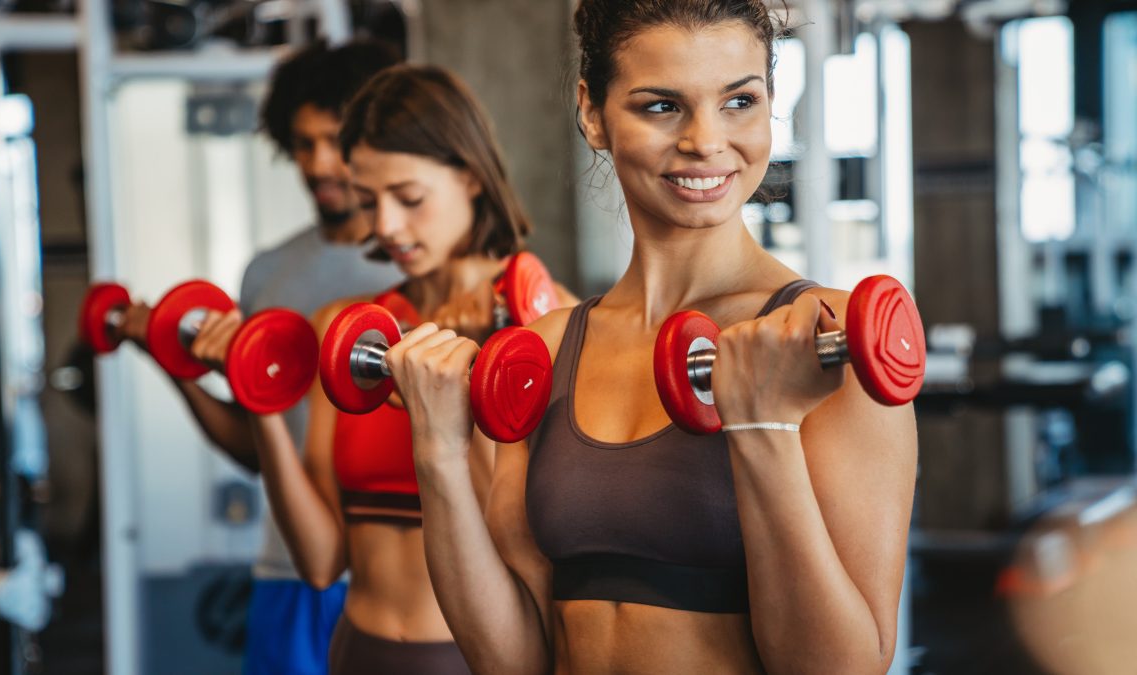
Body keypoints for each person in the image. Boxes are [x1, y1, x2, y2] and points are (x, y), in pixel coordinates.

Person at [386, 2, 918, 673]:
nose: (706, 140)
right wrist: (437, 453)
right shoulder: (545, 351)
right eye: (661, 106)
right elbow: (514, 659)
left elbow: (843, 669)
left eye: (739, 101)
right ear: (593, 113)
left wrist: (764, 429)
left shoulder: (826, 341)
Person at [245, 64, 575, 673]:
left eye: (409, 198)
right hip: (353, 650)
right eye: (368, 201)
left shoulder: (551, 329)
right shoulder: (349, 332)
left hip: (473, 658)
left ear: (471, 176)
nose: (386, 226)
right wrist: (258, 402)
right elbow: (321, 562)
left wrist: (479, 372)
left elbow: (527, 550)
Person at [115, 41, 403, 675]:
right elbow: (255, 446)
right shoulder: (269, 273)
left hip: (390, 578)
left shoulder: (414, 270)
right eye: (304, 144)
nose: (321, 164)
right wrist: (176, 365)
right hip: (285, 565)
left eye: (337, 141)